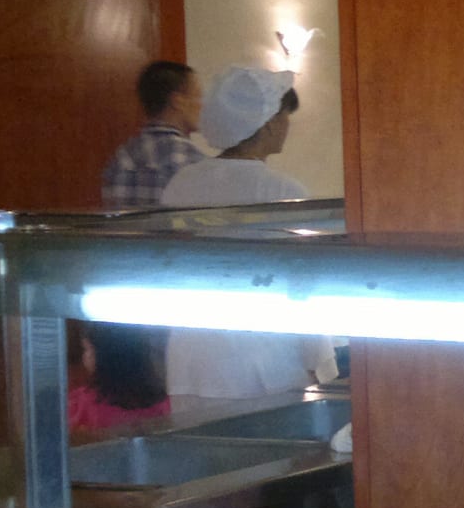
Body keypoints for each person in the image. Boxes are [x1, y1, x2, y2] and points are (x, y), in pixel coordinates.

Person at [159, 68, 339, 401]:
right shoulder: (283, 192)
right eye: (285, 116)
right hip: (262, 356)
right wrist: (320, 361)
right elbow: (302, 281)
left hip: (189, 353)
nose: (287, 126)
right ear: (268, 122)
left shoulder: (181, 183)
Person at [100, 60, 205, 208]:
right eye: (199, 97)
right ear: (178, 101)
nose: (203, 105)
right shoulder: (192, 159)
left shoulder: (121, 157)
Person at [67, 323, 171, 433]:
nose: (84, 356)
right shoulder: (160, 400)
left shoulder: (80, 404)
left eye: (86, 349)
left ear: (103, 356)